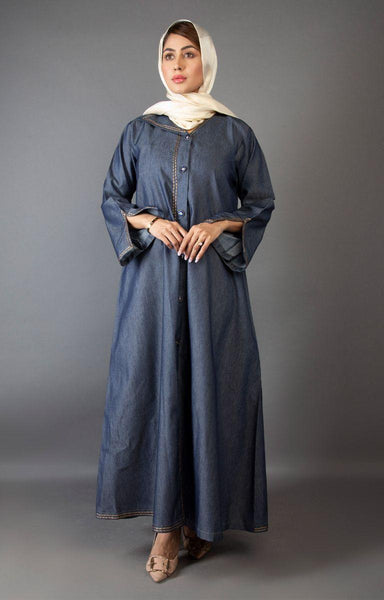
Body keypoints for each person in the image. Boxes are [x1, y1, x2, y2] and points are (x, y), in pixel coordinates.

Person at [95, 18, 276, 582]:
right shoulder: (139, 131)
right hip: (151, 285)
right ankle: (166, 527)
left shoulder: (235, 133)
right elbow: (112, 198)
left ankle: (203, 518)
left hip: (211, 285)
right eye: (169, 55)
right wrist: (149, 221)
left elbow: (261, 203)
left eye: (189, 54)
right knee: (153, 386)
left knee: (212, 387)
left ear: (207, 62)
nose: (177, 65)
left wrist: (219, 224)